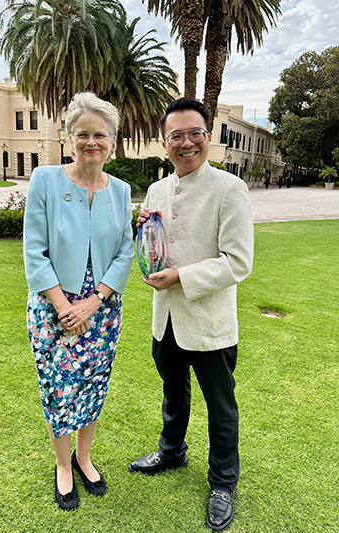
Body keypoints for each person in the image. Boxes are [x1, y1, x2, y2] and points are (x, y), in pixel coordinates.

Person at [128, 97, 254, 532]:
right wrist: (141, 228)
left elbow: (238, 262)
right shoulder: (159, 189)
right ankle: (172, 451)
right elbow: (155, 241)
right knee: (173, 392)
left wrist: (180, 275)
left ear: (208, 136)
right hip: (166, 318)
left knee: (220, 406)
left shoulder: (229, 188)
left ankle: (223, 482)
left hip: (209, 323)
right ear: (165, 143)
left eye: (194, 133)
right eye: (176, 135)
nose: (186, 143)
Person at [23, 92, 134, 511]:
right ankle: (63, 464)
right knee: (59, 387)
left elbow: (125, 251)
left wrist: (94, 301)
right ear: (69, 137)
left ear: (113, 140)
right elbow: (35, 251)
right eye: (83, 134)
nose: (92, 142)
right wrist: (64, 306)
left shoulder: (121, 191)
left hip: (102, 311)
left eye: (100, 135)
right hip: (53, 310)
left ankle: (85, 458)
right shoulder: (45, 181)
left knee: (92, 385)